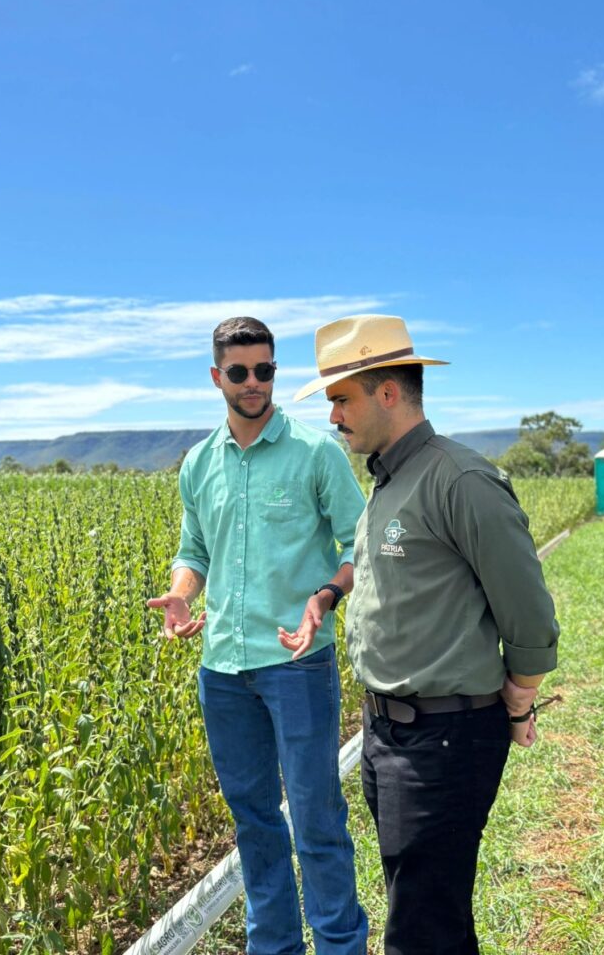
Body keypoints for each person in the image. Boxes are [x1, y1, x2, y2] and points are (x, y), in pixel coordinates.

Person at [293, 313, 560, 955]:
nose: (332, 416)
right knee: (424, 910)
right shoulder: (389, 481)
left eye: (340, 398)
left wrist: (518, 700)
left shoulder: (459, 479)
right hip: (389, 733)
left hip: (443, 738)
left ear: (388, 392)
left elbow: (528, 609)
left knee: (420, 928)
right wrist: (328, 595)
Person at [147, 316, 368, 955]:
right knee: (254, 824)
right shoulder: (198, 462)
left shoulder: (315, 451)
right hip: (222, 668)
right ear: (217, 377)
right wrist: (183, 595)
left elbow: (359, 546)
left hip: (296, 665)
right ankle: (273, 947)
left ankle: (338, 946)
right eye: (239, 372)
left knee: (317, 821)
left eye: (265, 370)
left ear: (275, 370)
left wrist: (325, 598)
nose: (253, 383)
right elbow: (194, 549)